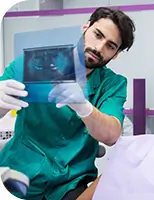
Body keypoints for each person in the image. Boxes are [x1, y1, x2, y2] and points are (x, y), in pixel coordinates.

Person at [0, 7, 135, 200]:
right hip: (18, 171)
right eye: (97, 35)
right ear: (85, 27)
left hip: (69, 182)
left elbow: (112, 135)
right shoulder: (36, 63)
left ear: (115, 55)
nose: (99, 48)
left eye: (110, 46)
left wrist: (84, 107)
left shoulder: (113, 84)